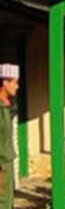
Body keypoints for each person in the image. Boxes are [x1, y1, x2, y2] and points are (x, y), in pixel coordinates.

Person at [0, 64, 19, 208]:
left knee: (8, 200)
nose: (17, 86)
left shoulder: (8, 105)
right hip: (1, 164)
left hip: (7, 160)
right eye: (15, 82)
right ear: (5, 82)